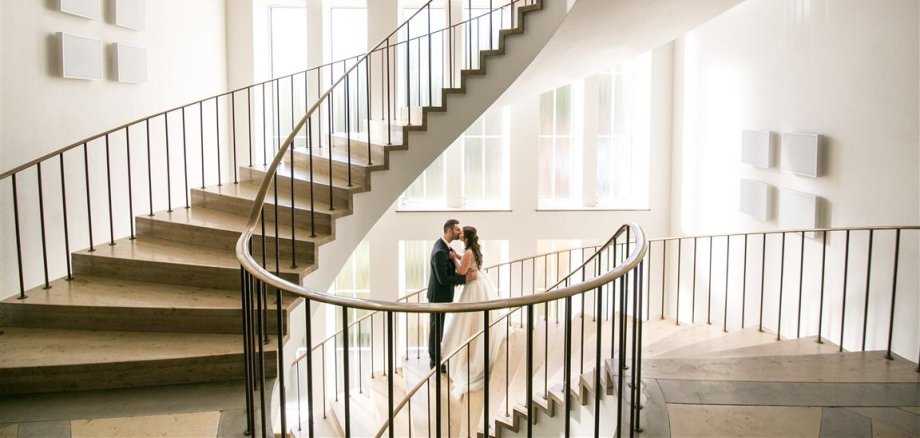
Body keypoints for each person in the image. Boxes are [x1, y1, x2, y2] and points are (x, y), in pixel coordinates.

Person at [441, 226, 504, 398]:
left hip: (474, 287)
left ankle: (467, 355)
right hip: (480, 283)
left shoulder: (468, 252)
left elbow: (462, 271)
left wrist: (454, 259)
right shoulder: (472, 250)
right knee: (472, 321)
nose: (459, 234)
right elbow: (468, 260)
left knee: (467, 321)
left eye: (461, 233)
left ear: (466, 236)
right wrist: (458, 255)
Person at [427, 219, 466, 370]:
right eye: (457, 230)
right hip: (438, 296)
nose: (459, 232)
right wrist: (463, 279)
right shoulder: (439, 251)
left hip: (440, 296)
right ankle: (434, 361)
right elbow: (443, 279)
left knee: (438, 328)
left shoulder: (444, 246)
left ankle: (436, 357)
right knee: (436, 329)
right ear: (449, 231)